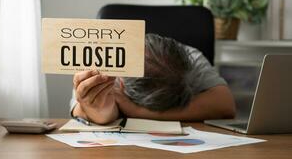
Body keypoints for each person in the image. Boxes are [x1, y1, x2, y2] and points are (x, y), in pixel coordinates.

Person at [70, 34, 236, 124]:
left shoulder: (191, 60)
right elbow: (81, 111)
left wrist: (138, 112)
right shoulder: (101, 63)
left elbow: (225, 106)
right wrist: (99, 111)